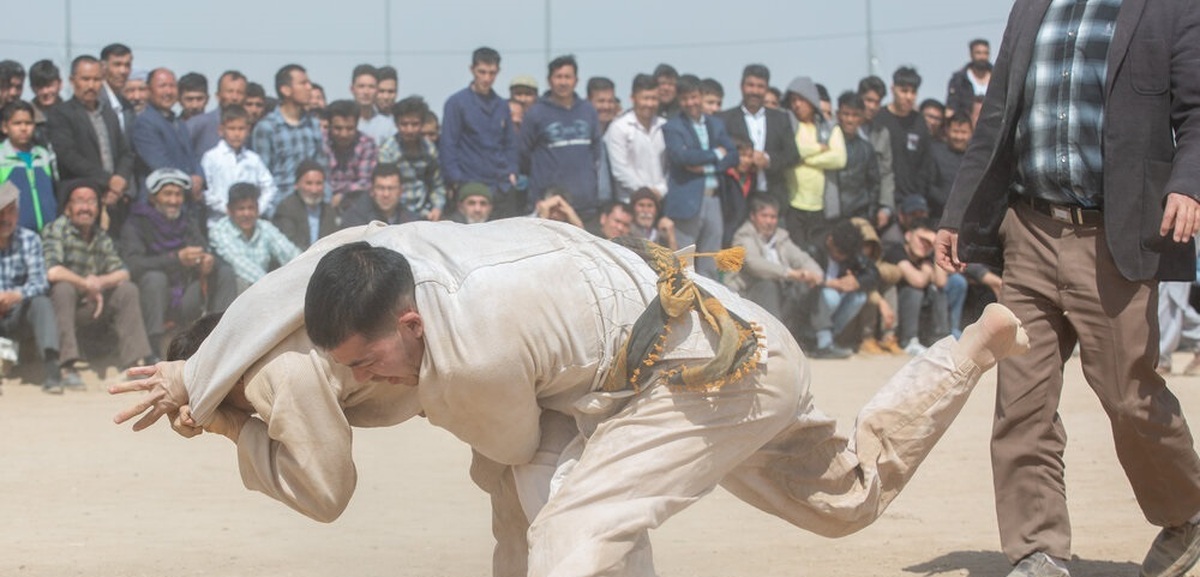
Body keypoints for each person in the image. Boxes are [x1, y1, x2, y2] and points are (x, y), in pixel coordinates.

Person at [113, 218, 1031, 577]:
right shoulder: (382, 258)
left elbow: (521, 445)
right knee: (849, 498)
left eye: (370, 363)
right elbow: (293, 278)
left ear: (410, 322)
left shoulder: (468, 349)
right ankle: (973, 344)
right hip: (718, 337)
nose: (363, 380)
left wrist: (232, 416)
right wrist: (201, 374)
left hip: (711, 378)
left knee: (568, 532)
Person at [935, 2, 1200, 576]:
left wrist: (1188, 184)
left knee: (1129, 394)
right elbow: (997, 115)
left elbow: (1198, 112)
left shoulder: (1172, 9)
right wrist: (958, 212)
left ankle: (1188, 514)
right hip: (1027, 230)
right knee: (1021, 403)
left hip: (1117, 234)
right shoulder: (1032, 8)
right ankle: (1037, 549)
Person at [42, 179, 154, 386]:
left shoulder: (101, 236)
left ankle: (134, 364)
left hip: (94, 305)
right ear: (68, 207)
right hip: (64, 307)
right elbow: (53, 271)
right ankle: (67, 366)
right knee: (63, 289)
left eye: (92, 202)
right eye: (79, 201)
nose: (86, 208)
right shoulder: (56, 230)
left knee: (127, 290)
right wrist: (86, 284)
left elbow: (123, 273)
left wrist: (99, 281)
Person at [119, 168, 237, 358]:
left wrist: (207, 261)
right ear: (153, 197)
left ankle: (223, 340)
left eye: (178, 195)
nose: (174, 201)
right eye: (167, 194)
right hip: (153, 297)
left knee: (224, 272)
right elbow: (133, 264)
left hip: (186, 293)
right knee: (154, 279)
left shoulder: (186, 221)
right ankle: (153, 350)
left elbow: (203, 249)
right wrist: (176, 259)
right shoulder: (136, 223)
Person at [663, 75, 737, 280]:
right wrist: (715, 154)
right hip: (688, 201)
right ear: (679, 100)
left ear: (701, 96)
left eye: (694, 97)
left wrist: (704, 168)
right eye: (685, 98)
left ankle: (707, 308)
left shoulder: (716, 124)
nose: (691, 103)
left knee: (710, 263)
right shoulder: (673, 127)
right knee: (684, 263)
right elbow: (681, 156)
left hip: (714, 199)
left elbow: (732, 155)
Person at [47, 55, 135, 230]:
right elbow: (68, 156)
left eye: (96, 79)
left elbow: (126, 152)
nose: (91, 85)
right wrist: (107, 180)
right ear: (73, 81)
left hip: (114, 200)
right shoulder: (61, 114)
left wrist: (119, 181)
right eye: (85, 79)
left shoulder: (108, 113)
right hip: (80, 201)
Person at [725, 193, 821, 339]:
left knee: (807, 286)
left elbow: (802, 259)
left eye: (773, 217)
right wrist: (789, 273)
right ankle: (774, 338)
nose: (769, 221)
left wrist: (815, 274)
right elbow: (754, 264)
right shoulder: (743, 236)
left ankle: (819, 337)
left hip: (780, 293)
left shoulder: (781, 236)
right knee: (768, 285)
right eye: (764, 216)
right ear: (753, 216)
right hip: (748, 292)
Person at [519, 55, 601, 225]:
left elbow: (596, 153)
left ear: (576, 80)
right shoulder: (536, 113)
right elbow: (523, 156)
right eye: (558, 77)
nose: (563, 82)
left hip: (585, 206)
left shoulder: (588, 110)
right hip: (549, 208)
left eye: (567, 77)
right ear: (549, 80)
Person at [439, 47, 518, 219]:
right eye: (482, 72)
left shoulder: (502, 105)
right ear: (472, 70)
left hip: (499, 186)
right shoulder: (456, 103)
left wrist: (512, 172)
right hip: (469, 186)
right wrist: (456, 180)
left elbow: (510, 143)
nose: (487, 78)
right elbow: (448, 144)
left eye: (492, 73)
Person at [0, 181, 60, 393]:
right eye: (1, 213)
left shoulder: (29, 239)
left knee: (42, 302)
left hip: (19, 312)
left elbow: (40, 282)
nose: (6, 219)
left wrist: (16, 295)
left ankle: (53, 371)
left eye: (11, 212)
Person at [718, 64, 800, 209]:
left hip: (774, 199)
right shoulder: (725, 119)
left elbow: (792, 155)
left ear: (767, 89)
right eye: (750, 85)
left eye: (760, 86)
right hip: (737, 198)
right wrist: (742, 159)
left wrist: (767, 159)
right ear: (741, 86)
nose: (755, 91)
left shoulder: (781, 119)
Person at [252, 64, 324, 218]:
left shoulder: (313, 125)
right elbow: (263, 177)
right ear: (286, 90)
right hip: (279, 210)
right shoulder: (267, 127)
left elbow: (321, 167)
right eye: (303, 83)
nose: (309, 88)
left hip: (312, 209)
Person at [207, 182, 301, 292]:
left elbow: (289, 252)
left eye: (251, 208)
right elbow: (240, 263)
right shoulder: (219, 231)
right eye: (241, 209)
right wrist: (273, 286)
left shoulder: (264, 227)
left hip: (263, 287)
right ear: (229, 210)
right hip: (234, 293)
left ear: (257, 209)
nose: (247, 214)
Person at [200, 104, 276, 228]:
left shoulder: (253, 159)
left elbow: (269, 187)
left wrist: (257, 209)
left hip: (250, 223)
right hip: (219, 222)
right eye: (232, 128)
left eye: (241, 129)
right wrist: (227, 209)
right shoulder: (211, 157)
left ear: (248, 130)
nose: (236, 134)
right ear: (221, 130)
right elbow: (205, 191)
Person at [377, 96, 447, 221]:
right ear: (396, 124)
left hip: (425, 214)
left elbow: (436, 185)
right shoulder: (388, 151)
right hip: (395, 214)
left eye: (414, 124)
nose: (409, 130)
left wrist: (437, 208)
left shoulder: (429, 150)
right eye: (404, 124)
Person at [604, 73, 666, 203]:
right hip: (630, 202)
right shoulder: (619, 127)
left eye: (654, 98)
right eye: (645, 98)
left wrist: (661, 190)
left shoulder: (665, 126)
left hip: (663, 199)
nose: (649, 103)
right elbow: (620, 170)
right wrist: (647, 193)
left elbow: (672, 167)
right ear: (633, 98)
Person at [0, 100, 58, 233]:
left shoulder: (43, 155)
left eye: (28, 123)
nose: (23, 128)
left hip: (48, 231)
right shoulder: (1, 157)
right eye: (17, 123)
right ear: (4, 127)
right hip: (15, 233)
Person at [322, 99, 377, 210]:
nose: (344, 134)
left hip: (355, 202)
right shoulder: (320, 142)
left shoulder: (366, 144)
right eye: (338, 128)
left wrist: (342, 195)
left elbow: (365, 181)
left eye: (349, 128)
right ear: (329, 125)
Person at [272, 160, 337, 251]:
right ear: (296, 185)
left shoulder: (328, 211)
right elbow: (289, 244)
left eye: (318, 183)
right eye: (309, 183)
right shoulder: (286, 208)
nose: (314, 190)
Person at [339, 163, 415, 228]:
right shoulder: (354, 220)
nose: (386, 194)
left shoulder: (411, 221)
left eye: (391, 188)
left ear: (400, 191)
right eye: (381, 188)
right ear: (372, 190)